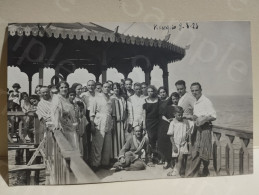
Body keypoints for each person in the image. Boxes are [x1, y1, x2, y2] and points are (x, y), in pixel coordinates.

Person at [186, 82, 216, 177]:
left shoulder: (206, 101)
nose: (194, 92)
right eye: (192, 91)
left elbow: (214, 116)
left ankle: (204, 171)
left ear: (201, 90)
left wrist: (205, 118)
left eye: (196, 90)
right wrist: (190, 116)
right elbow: (196, 115)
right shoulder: (196, 102)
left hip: (205, 128)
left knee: (204, 151)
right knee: (196, 151)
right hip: (197, 128)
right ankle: (196, 174)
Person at [89, 82, 113, 171]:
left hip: (108, 121)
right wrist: (92, 124)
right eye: (105, 87)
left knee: (107, 144)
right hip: (99, 121)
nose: (107, 88)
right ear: (102, 88)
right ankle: (95, 164)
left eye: (109, 87)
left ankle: (105, 163)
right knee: (98, 144)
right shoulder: (96, 98)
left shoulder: (110, 98)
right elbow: (92, 112)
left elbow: (111, 111)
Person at [51, 81, 79, 150]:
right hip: (62, 126)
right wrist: (57, 124)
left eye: (66, 87)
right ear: (58, 89)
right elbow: (56, 112)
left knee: (73, 146)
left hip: (69, 125)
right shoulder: (57, 98)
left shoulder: (66, 99)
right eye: (62, 87)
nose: (64, 89)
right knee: (65, 148)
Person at [167, 106, 194, 177]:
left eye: (182, 114)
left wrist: (188, 136)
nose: (181, 116)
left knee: (181, 157)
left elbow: (190, 128)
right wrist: (174, 145)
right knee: (177, 158)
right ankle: (176, 170)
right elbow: (170, 135)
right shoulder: (173, 123)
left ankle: (179, 171)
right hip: (176, 144)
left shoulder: (184, 122)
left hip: (183, 143)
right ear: (174, 114)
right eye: (179, 115)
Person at [111, 82, 133, 159]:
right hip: (115, 122)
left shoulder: (122, 99)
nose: (116, 90)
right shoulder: (111, 98)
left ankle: (121, 155)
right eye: (114, 88)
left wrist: (125, 121)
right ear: (112, 89)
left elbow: (125, 111)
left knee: (122, 139)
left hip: (122, 122)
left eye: (117, 88)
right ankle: (114, 156)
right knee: (115, 139)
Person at [161, 92, 180, 168]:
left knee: (176, 143)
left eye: (176, 99)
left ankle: (175, 162)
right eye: (173, 99)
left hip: (178, 127)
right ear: (171, 99)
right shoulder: (168, 107)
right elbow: (163, 116)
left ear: (179, 98)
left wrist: (175, 119)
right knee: (168, 144)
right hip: (169, 126)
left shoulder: (180, 107)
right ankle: (167, 161)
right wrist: (168, 120)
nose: (175, 100)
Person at [81, 80, 96, 162]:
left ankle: (94, 158)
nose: (91, 87)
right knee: (87, 138)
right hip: (87, 115)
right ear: (87, 86)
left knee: (95, 137)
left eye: (92, 85)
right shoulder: (83, 95)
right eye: (89, 85)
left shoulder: (98, 95)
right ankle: (87, 158)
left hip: (95, 116)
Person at [143, 85, 160, 159]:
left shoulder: (158, 100)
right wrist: (144, 124)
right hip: (149, 122)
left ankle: (158, 156)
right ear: (147, 92)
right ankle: (151, 156)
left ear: (154, 91)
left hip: (157, 121)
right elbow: (144, 114)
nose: (150, 93)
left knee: (158, 139)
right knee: (151, 138)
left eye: (152, 91)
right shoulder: (145, 101)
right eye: (149, 91)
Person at [156, 87, 171, 167]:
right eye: (161, 92)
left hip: (167, 122)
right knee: (160, 142)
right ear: (159, 94)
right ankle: (163, 158)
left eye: (164, 92)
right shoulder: (158, 101)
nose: (162, 93)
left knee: (167, 141)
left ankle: (168, 160)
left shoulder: (169, 100)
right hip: (160, 123)